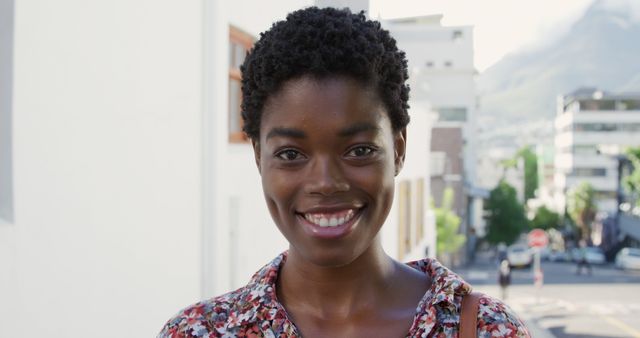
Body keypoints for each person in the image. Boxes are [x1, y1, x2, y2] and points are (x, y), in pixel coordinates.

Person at [158, 7, 530, 337]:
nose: (325, 182)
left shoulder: (483, 328)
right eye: (290, 153)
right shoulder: (199, 332)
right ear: (259, 157)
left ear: (399, 149)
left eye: (359, 150)